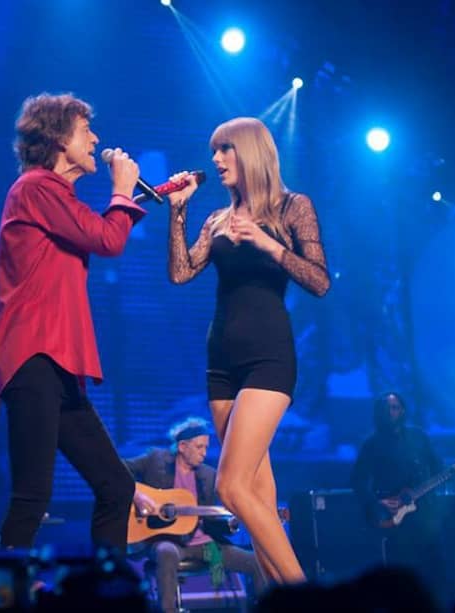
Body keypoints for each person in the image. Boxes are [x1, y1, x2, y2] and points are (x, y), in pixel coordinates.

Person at [165, 117, 330, 584]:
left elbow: (320, 281)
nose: (215, 160)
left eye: (225, 150)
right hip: (221, 362)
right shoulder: (218, 218)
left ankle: (305, 595)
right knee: (256, 491)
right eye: (214, 151)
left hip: (269, 357)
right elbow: (181, 272)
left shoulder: (292, 207)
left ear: (251, 152)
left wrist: (268, 245)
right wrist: (177, 212)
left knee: (230, 486)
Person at [0, 93, 145, 550]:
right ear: (57, 138)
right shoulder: (36, 188)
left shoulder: (55, 197)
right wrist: (122, 189)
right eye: (84, 130)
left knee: (117, 486)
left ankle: (106, 595)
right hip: (37, 360)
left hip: (54, 364)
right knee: (31, 498)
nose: (95, 138)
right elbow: (107, 238)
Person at [125, 417, 267, 613]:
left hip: (206, 546)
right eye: (199, 447)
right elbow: (119, 470)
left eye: (206, 447)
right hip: (166, 540)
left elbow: (210, 519)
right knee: (166, 552)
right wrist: (137, 496)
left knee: (255, 562)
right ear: (182, 446)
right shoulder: (155, 460)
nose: (204, 453)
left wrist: (230, 524)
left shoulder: (208, 476)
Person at [350, 392, 446, 602]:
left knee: (434, 567)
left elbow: (439, 468)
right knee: (403, 572)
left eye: (394, 407)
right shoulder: (371, 444)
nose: (390, 412)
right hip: (394, 517)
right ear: (379, 414)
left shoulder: (419, 437)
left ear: (403, 411)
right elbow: (358, 480)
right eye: (386, 409)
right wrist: (376, 502)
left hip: (426, 513)